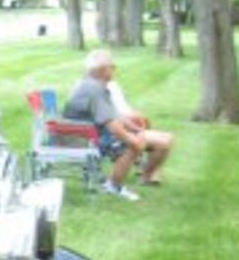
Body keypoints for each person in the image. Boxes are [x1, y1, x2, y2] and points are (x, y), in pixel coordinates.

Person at [61, 50, 170, 200]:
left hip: (87, 133)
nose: (114, 69)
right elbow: (112, 124)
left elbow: (114, 115)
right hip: (82, 138)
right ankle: (113, 186)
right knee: (132, 144)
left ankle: (144, 176)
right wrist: (133, 140)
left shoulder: (93, 85)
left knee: (149, 139)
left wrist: (137, 129)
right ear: (102, 70)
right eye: (112, 66)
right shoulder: (94, 89)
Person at [106, 74, 174, 186]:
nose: (112, 72)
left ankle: (150, 171)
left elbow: (121, 109)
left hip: (126, 124)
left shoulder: (113, 86)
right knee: (164, 142)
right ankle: (147, 176)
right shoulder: (99, 90)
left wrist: (136, 122)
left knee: (168, 137)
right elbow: (110, 118)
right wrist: (133, 123)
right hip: (117, 130)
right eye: (109, 68)